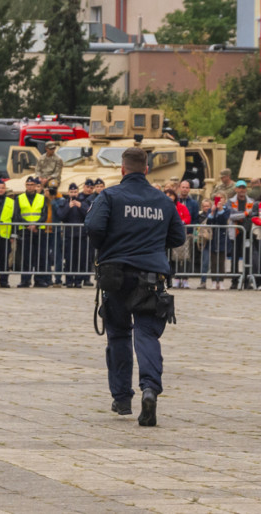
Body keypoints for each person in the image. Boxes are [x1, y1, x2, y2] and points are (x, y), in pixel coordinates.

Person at [85, 146, 185, 427]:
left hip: (116, 276)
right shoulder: (163, 201)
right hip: (151, 278)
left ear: (122, 169)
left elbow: (92, 227)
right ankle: (150, 389)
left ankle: (121, 398)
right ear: (147, 170)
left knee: (118, 335)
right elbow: (178, 236)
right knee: (147, 335)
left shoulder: (110, 196)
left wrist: (109, 245)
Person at [54, 183, 91, 287]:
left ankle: (78, 281)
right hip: (69, 236)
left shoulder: (83, 202)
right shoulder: (65, 203)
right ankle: (69, 281)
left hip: (81, 236)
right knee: (69, 259)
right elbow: (60, 215)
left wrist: (80, 207)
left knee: (80, 259)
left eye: (75, 192)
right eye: (71, 192)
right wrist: (68, 208)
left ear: (78, 192)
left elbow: (89, 214)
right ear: (68, 192)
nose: (73, 194)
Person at [16, 176, 49, 287]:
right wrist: (28, 225)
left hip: (39, 231)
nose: (30, 187)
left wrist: (36, 225)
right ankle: (25, 280)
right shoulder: (19, 198)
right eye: (28, 185)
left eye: (32, 185)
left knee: (40, 256)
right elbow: (17, 215)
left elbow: (44, 215)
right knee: (26, 256)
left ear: (36, 186)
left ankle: (39, 280)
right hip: (25, 231)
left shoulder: (42, 198)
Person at [204, 191, 231, 289]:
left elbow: (223, 220)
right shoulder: (212, 209)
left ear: (224, 200)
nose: (219, 200)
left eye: (221, 198)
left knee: (221, 262)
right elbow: (209, 222)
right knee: (214, 261)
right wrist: (212, 211)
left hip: (223, 238)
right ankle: (214, 281)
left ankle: (221, 281)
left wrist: (220, 210)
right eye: (217, 198)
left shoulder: (226, 210)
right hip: (213, 238)